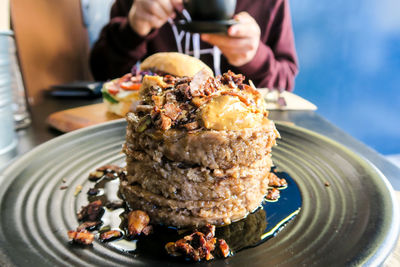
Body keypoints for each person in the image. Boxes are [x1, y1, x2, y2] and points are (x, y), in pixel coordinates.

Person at [90, 0, 298, 91]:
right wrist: (134, 28)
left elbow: (285, 83)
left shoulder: (270, 2)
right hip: (156, 133)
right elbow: (102, 72)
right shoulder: (137, 1)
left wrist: (254, 58)